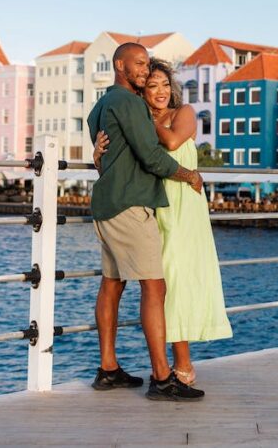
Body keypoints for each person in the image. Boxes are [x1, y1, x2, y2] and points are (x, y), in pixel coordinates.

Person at [94, 58, 232, 386]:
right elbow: (123, 163)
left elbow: (171, 142)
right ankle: (162, 367)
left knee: (178, 280)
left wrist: (140, 117)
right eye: (152, 86)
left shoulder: (183, 114)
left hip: (184, 209)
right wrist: (98, 154)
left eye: (165, 85)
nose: (160, 91)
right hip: (152, 207)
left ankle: (183, 363)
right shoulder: (138, 122)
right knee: (162, 282)